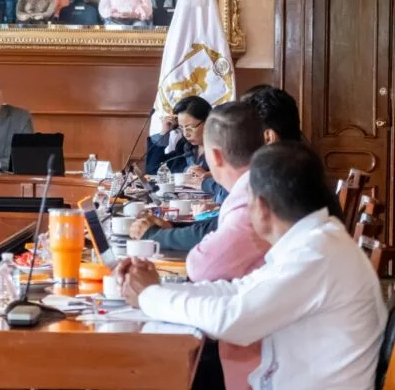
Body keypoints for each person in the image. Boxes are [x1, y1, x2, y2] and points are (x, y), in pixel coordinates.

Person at [117, 141, 387, 390]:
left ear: (261, 207)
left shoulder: (316, 253)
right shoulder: (316, 240)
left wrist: (149, 295)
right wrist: (157, 289)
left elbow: (231, 320)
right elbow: (239, 291)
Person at [133, 86, 304, 252]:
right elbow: (223, 223)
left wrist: (158, 235)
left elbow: (218, 240)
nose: (234, 139)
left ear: (268, 138)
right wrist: (172, 227)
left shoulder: (276, 180)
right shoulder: (293, 165)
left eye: (241, 131)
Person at [184, 103, 271, 390]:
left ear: (216, 156)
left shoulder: (253, 197)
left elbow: (202, 267)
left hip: (259, 357)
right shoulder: (263, 183)